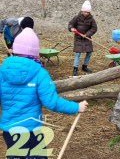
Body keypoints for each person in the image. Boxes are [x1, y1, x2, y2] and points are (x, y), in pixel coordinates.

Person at [0, 27, 88, 159]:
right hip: (30, 130)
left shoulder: (2, 70)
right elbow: (52, 103)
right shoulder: (40, 73)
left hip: (9, 129)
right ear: (35, 52)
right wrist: (76, 107)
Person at [68, 0, 98, 76]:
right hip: (78, 38)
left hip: (86, 39)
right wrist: (72, 28)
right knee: (77, 53)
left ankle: (84, 66)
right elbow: (71, 24)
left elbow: (94, 28)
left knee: (89, 53)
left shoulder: (91, 19)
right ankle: (75, 68)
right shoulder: (77, 17)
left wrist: (87, 34)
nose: (86, 13)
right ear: (82, 11)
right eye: (84, 12)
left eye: (87, 12)